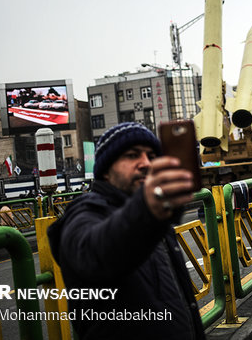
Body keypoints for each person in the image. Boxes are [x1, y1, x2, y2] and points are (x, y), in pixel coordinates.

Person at [47, 122, 205, 340]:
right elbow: (96, 254)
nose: (145, 163)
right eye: (132, 155)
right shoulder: (84, 213)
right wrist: (147, 209)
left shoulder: (152, 214)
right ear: (105, 171)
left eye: (151, 156)